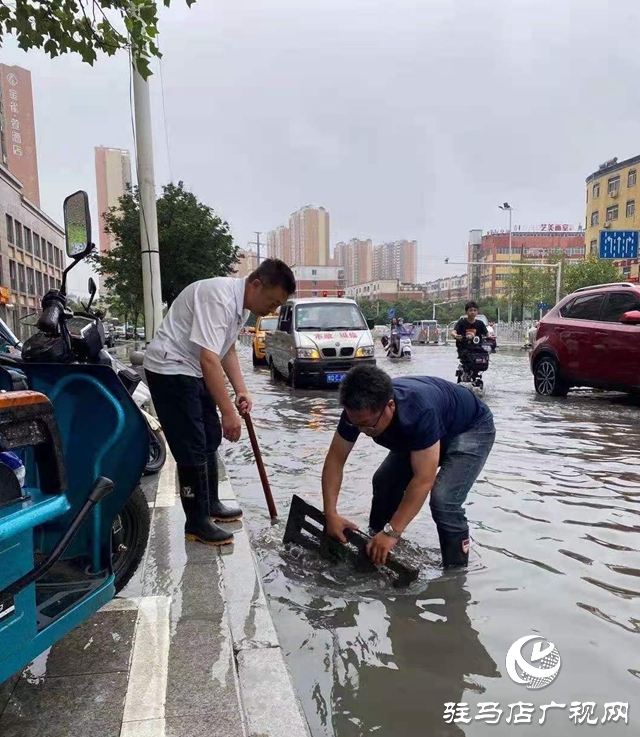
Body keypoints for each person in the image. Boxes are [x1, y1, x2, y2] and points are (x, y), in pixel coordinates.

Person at [144, 259, 296, 546]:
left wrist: (241, 391)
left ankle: (211, 503)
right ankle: (197, 522)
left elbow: (226, 351)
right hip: (170, 369)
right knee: (192, 445)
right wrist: (229, 412)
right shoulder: (219, 298)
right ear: (256, 285)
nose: (273, 310)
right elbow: (209, 358)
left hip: (192, 368)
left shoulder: (240, 307)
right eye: (273, 301)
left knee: (210, 436)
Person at [321, 364, 495, 567]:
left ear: (390, 406)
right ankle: (376, 548)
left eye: (368, 426)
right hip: (429, 428)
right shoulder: (356, 414)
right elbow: (335, 460)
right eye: (357, 425)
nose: (363, 431)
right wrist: (330, 513)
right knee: (384, 481)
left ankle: (455, 573)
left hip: (470, 428)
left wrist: (392, 532)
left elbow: (423, 479)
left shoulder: (418, 412)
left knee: (444, 500)